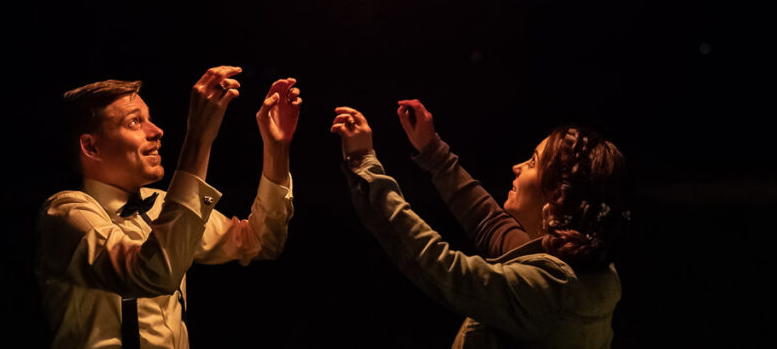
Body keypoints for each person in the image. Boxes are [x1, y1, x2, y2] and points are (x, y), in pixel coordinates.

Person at [37, 66, 300, 349]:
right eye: (135, 122)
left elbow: (260, 242)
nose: (157, 131)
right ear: (91, 147)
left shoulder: (162, 204)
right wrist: (198, 137)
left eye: (149, 119)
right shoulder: (64, 214)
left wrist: (277, 149)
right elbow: (152, 273)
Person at [331, 99, 629, 349]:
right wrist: (432, 150)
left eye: (533, 162)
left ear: (556, 194)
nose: (517, 167)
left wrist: (363, 162)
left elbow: (441, 267)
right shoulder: (590, 272)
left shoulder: (550, 293)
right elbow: (490, 223)